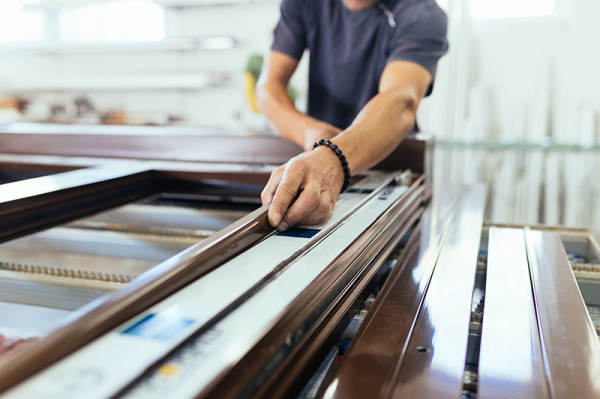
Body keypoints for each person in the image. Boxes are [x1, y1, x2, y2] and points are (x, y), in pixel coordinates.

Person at [257, 0, 448, 231]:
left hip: (390, 171)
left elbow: (401, 100)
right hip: (317, 163)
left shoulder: (421, 13)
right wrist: (313, 135)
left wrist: (333, 158)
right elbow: (268, 90)